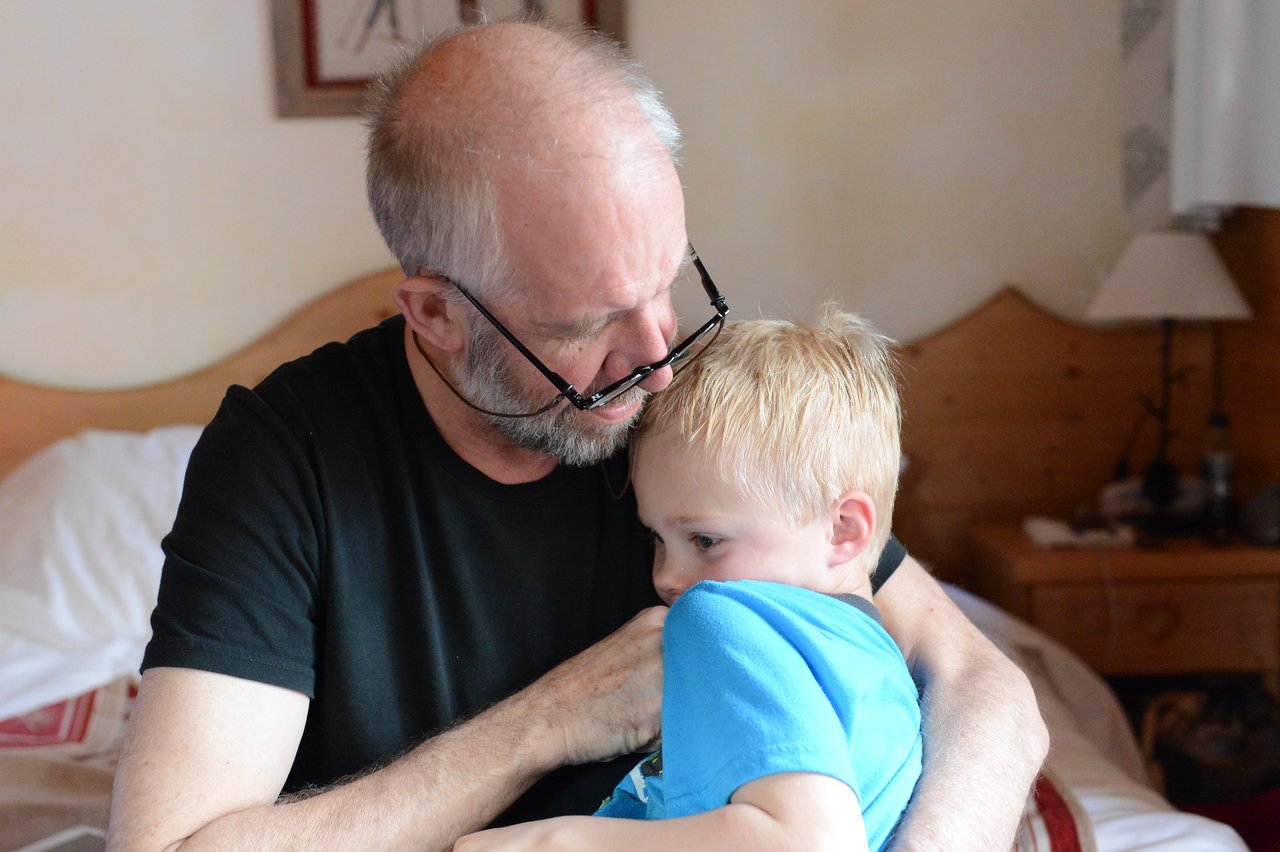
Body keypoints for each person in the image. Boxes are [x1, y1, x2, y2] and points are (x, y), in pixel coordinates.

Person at [107, 15, 1046, 852]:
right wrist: (546, 722)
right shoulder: (287, 456)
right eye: (586, 324)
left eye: (667, 285)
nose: (659, 360)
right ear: (436, 313)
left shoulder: (689, 419)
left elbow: (987, 692)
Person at [457, 308, 923, 851]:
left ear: (843, 530)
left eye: (704, 541)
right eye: (656, 539)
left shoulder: (727, 618)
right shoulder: (890, 674)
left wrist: (554, 841)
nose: (668, 577)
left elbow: (811, 841)